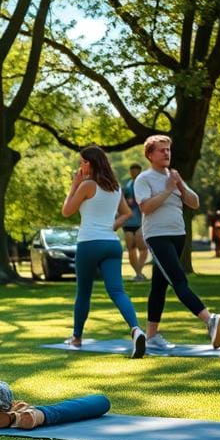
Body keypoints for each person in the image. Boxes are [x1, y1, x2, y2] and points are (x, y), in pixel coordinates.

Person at [134, 135, 220, 350]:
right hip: (157, 236)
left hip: (178, 235)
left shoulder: (174, 176)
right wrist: (168, 189)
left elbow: (194, 203)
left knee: (159, 285)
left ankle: (152, 335)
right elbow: (146, 208)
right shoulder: (144, 179)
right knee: (179, 280)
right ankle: (209, 320)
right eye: (161, 150)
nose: (166, 153)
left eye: (168, 149)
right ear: (150, 154)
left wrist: (180, 186)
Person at [61, 146, 145, 357]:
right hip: (112, 245)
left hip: (89, 243)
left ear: (89, 164)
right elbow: (127, 214)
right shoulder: (114, 188)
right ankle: (135, 329)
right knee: (117, 291)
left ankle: (77, 338)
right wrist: (112, 226)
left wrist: (74, 186)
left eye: (82, 162)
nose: (80, 166)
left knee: (84, 292)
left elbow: (66, 211)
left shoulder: (87, 185)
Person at [121, 164, 149, 281]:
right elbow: (122, 202)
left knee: (142, 247)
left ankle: (139, 273)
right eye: (132, 171)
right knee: (131, 247)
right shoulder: (127, 186)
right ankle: (138, 274)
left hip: (140, 221)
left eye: (136, 171)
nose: (134, 173)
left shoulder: (143, 185)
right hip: (128, 222)